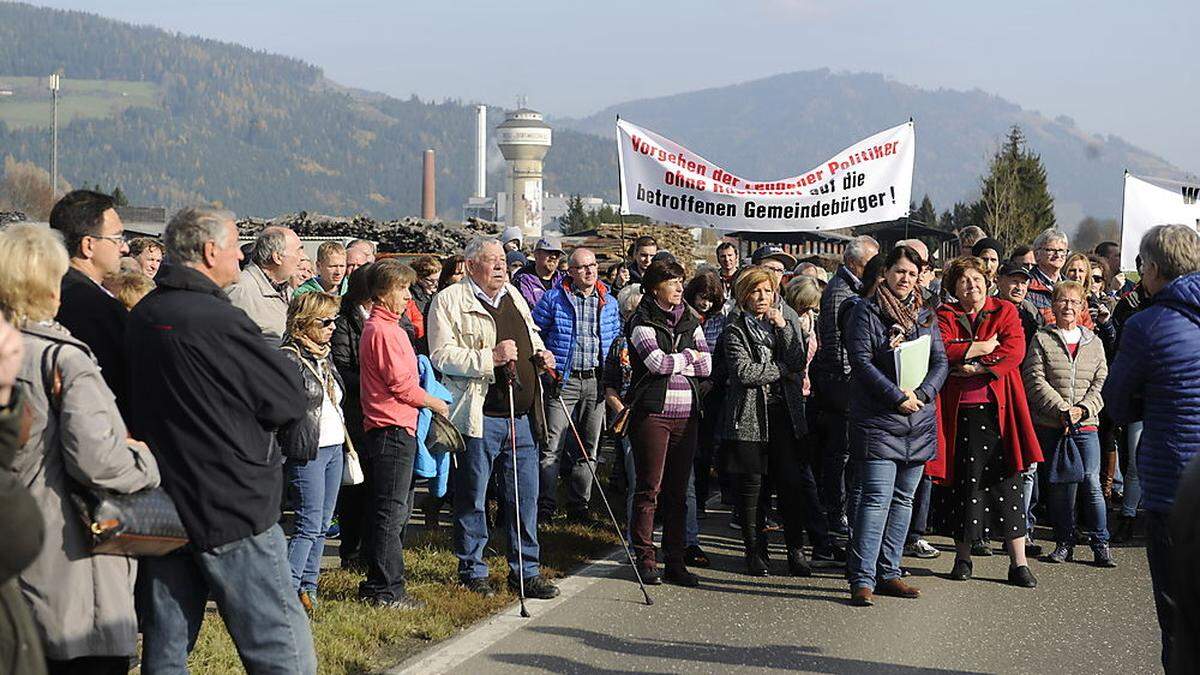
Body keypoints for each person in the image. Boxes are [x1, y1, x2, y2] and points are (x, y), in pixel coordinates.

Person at [127, 207, 316, 673]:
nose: (241, 254)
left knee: (166, 649)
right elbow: (289, 396)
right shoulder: (217, 319)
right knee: (282, 651)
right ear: (211, 252)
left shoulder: (145, 313)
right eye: (236, 245)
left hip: (164, 501)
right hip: (231, 502)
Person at [0, 223, 160, 675]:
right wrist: (145, 459)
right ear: (50, 283)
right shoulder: (64, 359)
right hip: (68, 554)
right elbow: (99, 461)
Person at [427, 238, 560, 600]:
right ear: (471, 266)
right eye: (492, 261)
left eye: (503, 260)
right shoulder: (450, 301)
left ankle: (527, 571)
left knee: (524, 497)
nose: (501, 267)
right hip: (480, 415)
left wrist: (541, 353)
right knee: (474, 496)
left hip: (522, 415)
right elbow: (440, 355)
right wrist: (491, 358)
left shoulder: (514, 296)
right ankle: (472, 568)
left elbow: (530, 334)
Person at [1102, 224, 1200, 670]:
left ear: (1154, 268)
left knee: (1178, 613)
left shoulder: (1146, 325)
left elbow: (1117, 404)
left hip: (1173, 487)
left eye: (1141, 266)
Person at [842, 245, 947, 606]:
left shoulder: (925, 315)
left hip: (917, 419)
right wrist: (895, 396)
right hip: (878, 419)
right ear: (885, 272)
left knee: (904, 500)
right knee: (875, 499)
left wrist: (923, 393)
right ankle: (862, 577)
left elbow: (940, 362)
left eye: (912, 274)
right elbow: (861, 361)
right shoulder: (865, 312)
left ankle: (889, 571)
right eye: (900, 271)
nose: (905, 279)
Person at [931, 256, 1041, 588]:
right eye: (964, 281)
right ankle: (962, 558)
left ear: (987, 281)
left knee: (1006, 484)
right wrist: (979, 346)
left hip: (998, 411)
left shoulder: (1005, 310)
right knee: (965, 485)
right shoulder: (944, 315)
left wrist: (975, 365)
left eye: (977, 279)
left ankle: (1018, 563)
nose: (972, 286)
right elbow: (942, 350)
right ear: (953, 287)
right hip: (960, 412)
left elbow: (1013, 351)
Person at [723, 266, 836, 577]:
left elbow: (799, 361)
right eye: (756, 291)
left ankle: (795, 550)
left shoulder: (783, 316)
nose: (763, 297)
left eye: (767, 291)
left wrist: (784, 327)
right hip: (748, 415)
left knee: (791, 484)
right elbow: (743, 372)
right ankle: (754, 550)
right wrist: (782, 368)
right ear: (744, 295)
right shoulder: (734, 326)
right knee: (753, 486)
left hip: (785, 412)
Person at [358, 260, 449, 607]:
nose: (407, 295)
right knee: (391, 512)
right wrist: (435, 403)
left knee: (393, 508)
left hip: (394, 426)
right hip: (391, 427)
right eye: (401, 289)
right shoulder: (384, 332)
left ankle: (380, 583)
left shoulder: (384, 328)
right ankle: (387, 589)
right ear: (383, 292)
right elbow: (402, 387)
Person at [625, 259, 712, 587]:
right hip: (653, 415)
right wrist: (688, 356)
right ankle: (646, 557)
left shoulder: (690, 319)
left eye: (680, 281)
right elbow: (657, 364)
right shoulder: (641, 321)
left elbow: (708, 365)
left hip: (687, 415)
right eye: (672, 282)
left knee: (678, 492)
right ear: (654, 287)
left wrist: (685, 360)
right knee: (650, 489)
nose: (679, 287)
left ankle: (675, 561)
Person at [1021, 280, 1114, 567]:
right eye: (1062, 301)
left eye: (1074, 302)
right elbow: (1034, 379)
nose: (1068, 306)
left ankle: (1101, 543)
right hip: (1053, 424)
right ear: (1053, 305)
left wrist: (1083, 410)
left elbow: (1102, 382)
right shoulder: (1042, 338)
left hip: (1086, 425)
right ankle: (1064, 543)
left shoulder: (1094, 342)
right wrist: (1062, 410)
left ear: (1083, 306)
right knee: (1061, 487)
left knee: (1091, 482)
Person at [532, 248, 620, 523]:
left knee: (589, 447)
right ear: (570, 271)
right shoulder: (554, 299)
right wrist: (546, 367)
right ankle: (545, 505)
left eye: (593, 265)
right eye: (582, 267)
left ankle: (579, 505)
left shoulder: (609, 300)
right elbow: (535, 332)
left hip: (596, 381)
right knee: (551, 446)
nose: (589, 271)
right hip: (564, 381)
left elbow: (616, 336)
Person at [276, 292, 347, 612]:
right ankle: (287, 592)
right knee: (307, 524)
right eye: (325, 321)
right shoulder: (289, 358)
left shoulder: (325, 354)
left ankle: (309, 586)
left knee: (322, 524)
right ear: (303, 324)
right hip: (309, 448)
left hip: (334, 445)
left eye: (335, 320)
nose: (332, 327)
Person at [811, 235, 880, 535]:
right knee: (840, 454)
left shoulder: (854, 288)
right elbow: (840, 344)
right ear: (854, 263)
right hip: (841, 383)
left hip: (848, 382)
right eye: (871, 264)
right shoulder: (841, 292)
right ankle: (836, 512)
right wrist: (853, 380)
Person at [47, 190, 132, 421]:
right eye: (117, 238)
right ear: (88, 245)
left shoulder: (45, 292)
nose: (124, 248)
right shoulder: (97, 309)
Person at [331, 265, 373, 568]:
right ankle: (351, 549)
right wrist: (375, 382)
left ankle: (371, 547)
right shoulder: (345, 319)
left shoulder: (389, 317)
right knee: (354, 484)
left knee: (374, 483)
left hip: (379, 409)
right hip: (355, 409)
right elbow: (343, 367)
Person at [683, 269, 726, 538]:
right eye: (701, 297)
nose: (705, 303)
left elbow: (723, 355)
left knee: (706, 447)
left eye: (710, 299)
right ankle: (690, 500)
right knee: (689, 446)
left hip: (713, 387)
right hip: (688, 384)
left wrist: (714, 380)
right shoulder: (685, 315)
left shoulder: (721, 320)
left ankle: (699, 499)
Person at [603, 284, 644, 537]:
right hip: (630, 418)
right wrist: (622, 411)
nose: (635, 316)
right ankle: (636, 535)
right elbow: (609, 385)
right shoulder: (620, 344)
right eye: (630, 312)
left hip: (658, 413)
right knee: (637, 481)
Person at [226, 225, 303, 343]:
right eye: (298, 251)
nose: (301, 258)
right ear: (277, 257)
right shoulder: (240, 291)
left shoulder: (287, 291)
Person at [995, 261, 1043, 349]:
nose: (1019, 288)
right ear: (999, 281)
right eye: (1014, 281)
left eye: (1023, 283)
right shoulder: (988, 309)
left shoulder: (1032, 312)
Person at [512, 236, 565, 309]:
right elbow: (528, 309)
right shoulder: (523, 279)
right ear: (536, 255)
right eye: (549, 252)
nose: (553, 257)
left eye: (557, 254)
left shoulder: (564, 279)